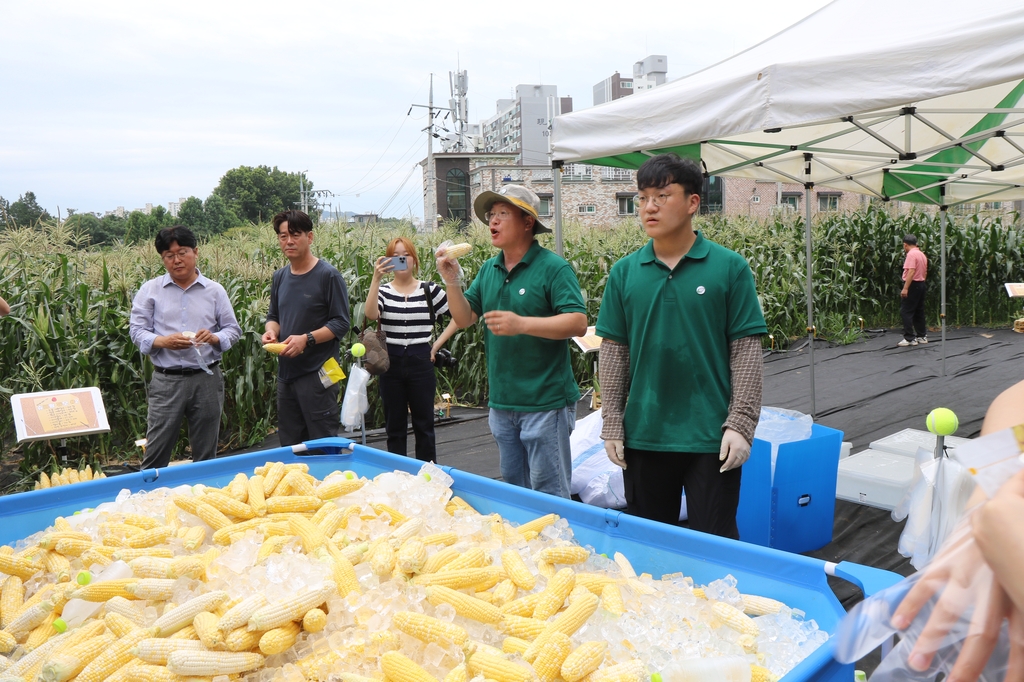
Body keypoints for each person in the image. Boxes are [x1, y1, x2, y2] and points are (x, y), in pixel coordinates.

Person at [596, 153, 767, 539]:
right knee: (651, 545)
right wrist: (612, 423)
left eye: (662, 195)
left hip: (711, 437)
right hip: (644, 434)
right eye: (642, 198)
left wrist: (741, 424)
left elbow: (745, 350)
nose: (649, 207)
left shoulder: (728, 267)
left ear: (692, 202)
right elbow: (614, 351)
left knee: (715, 542)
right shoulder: (625, 272)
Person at [436, 185, 587, 498]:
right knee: (515, 492)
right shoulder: (489, 270)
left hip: (545, 403)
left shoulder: (552, 268)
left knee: (550, 491)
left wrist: (522, 324)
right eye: (491, 215)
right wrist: (452, 281)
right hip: (502, 404)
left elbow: (578, 322)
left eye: (503, 214)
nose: (493, 221)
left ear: (527, 222)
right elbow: (465, 318)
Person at [129, 225, 242, 470]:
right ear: (162, 259)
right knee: (156, 451)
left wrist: (213, 338)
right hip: (167, 380)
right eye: (169, 256)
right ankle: (148, 498)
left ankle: (202, 498)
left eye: (183, 252)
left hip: (207, 379)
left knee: (206, 453)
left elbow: (233, 330)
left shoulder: (214, 291)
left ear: (195, 252)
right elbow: (136, 332)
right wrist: (163, 342)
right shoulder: (150, 291)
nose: (177, 260)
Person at [364, 237, 458, 462]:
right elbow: (370, 314)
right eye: (395, 256)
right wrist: (376, 279)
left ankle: (428, 477)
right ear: (388, 261)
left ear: (414, 259)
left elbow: (458, 316)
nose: (401, 259)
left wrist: (435, 345)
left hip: (421, 360)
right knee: (394, 427)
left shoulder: (429, 290)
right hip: (391, 362)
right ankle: (398, 476)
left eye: (405, 254)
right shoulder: (384, 292)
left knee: (424, 425)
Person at [262, 210, 350, 446]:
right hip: (287, 375)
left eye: (295, 235)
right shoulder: (279, 277)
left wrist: (307, 339)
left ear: (309, 237)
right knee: (291, 446)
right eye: (282, 236)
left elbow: (341, 323)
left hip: (319, 375)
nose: (288, 241)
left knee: (322, 444)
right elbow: (274, 316)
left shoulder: (328, 276)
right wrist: (271, 331)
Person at [898, 233, 929, 347]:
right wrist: (922, 283)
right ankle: (922, 336)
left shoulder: (911, 255)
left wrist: (906, 288)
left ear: (905, 245)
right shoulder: (921, 254)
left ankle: (910, 338)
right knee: (918, 311)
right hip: (921, 283)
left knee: (906, 311)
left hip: (913, 284)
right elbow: (925, 271)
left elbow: (911, 271)